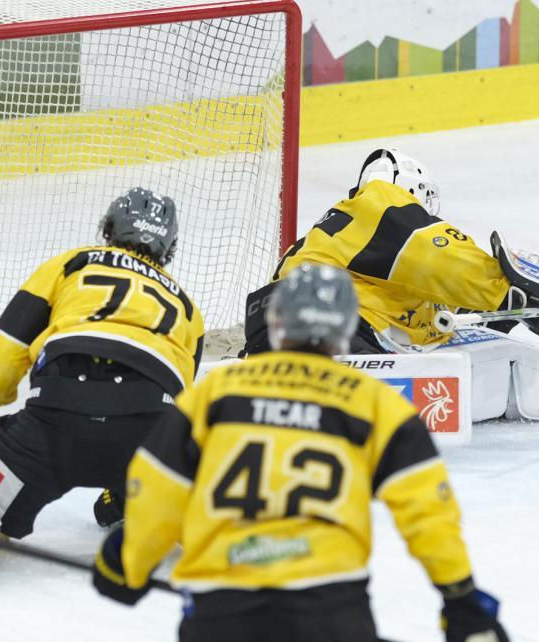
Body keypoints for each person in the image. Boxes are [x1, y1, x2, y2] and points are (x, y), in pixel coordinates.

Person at [93, 262, 511, 642]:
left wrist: (130, 562)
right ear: (347, 325)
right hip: (330, 611)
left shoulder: (216, 393)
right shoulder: (377, 405)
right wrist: (460, 598)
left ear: (276, 322)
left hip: (221, 611)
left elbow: (156, 489)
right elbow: (428, 513)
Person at [0, 187, 204, 583]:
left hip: (56, 416)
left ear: (109, 228)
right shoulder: (188, 309)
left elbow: (6, 354)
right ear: (171, 246)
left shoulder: (72, 264)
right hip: (147, 429)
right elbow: (182, 403)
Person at [244, 147, 539, 417]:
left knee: (467, 357)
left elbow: (431, 317)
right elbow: (441, 257)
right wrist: (508, 293)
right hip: (330, 337)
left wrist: (504, 314)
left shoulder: (338, 241)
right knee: (499, 370)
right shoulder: (382, 201)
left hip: (280, 339)